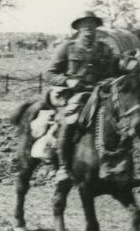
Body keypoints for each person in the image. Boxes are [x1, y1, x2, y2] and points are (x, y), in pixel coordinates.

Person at [36, 11, 121, 180]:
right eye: (86, 26)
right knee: (70, 120)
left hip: (100, 94)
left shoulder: (105, 50)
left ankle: (116, 166)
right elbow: (49, 73)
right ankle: (63, 167)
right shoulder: (67, 48)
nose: (90, 30)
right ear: (79, 28)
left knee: (120, 122)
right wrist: (68, 81)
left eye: (93, 26)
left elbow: (113, 72)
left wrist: (111, 79)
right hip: (73, 94)